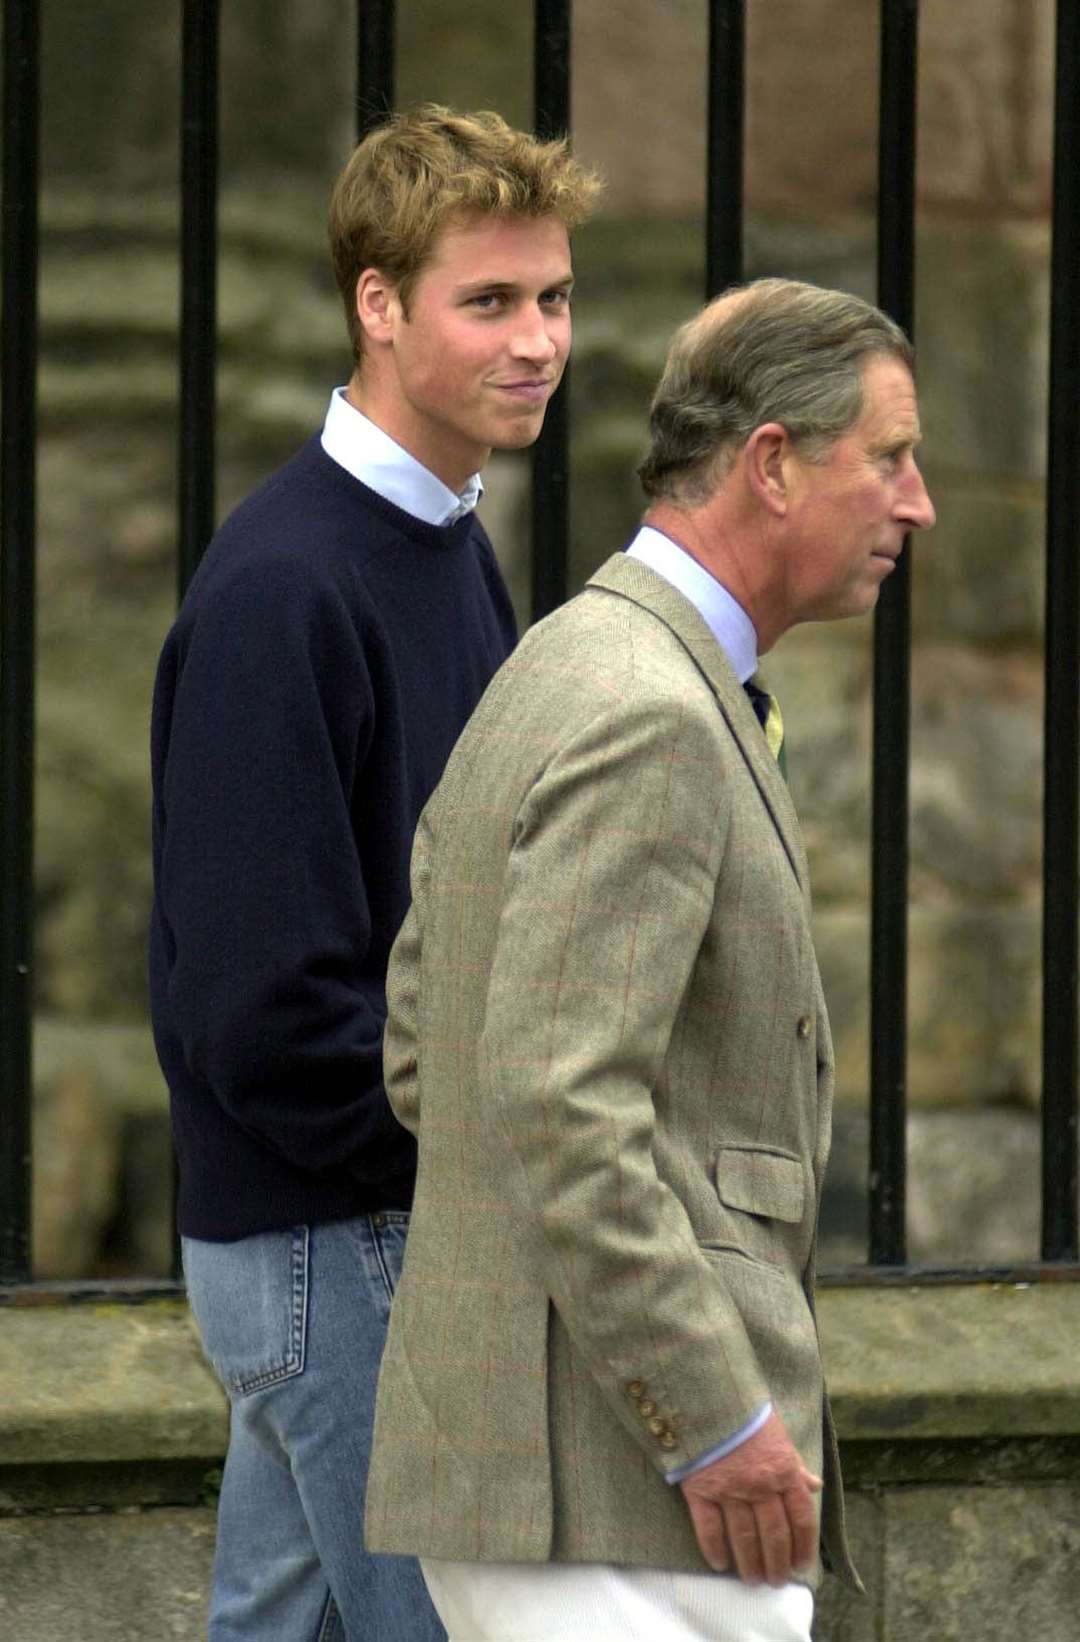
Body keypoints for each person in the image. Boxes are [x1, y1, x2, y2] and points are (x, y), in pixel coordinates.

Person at [364, 277, 935, 1641]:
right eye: (893, 458)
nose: (915, 504)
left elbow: (417, 1043)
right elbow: (558, 1099)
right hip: (621, 1502)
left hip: (571, 1487)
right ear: (774, 464)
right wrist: (713, 1417)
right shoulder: (647, 710)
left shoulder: (572, 658)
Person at [149, 105, 600, 1642]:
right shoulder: (289, 588)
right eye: (490, 302)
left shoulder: (444, 538)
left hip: (355, 1233)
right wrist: (472, 1171)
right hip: (334, 1246)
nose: (538, 340)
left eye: (551, 297)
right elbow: (263, 1008)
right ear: (379, 304)